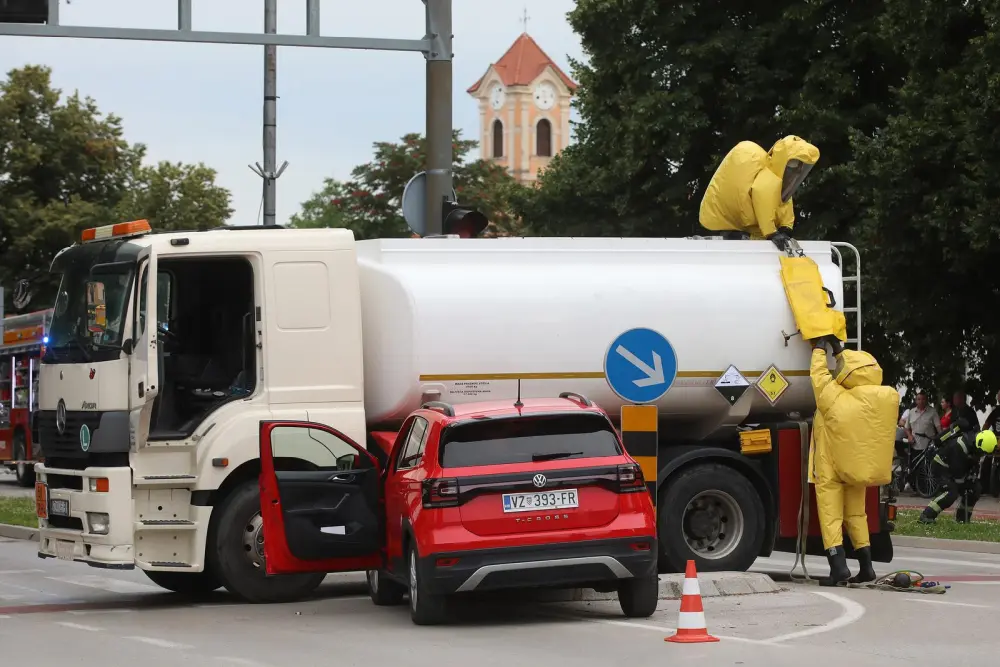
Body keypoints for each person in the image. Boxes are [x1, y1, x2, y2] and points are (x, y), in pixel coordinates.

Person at [808, 336, 899, 586]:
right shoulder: (883, 397)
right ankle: (866, 566)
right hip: (858, 467)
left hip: (832, 466)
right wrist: (840, 351)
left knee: (831, 516)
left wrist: (819, 348)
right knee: (857, 515)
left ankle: (838, 568)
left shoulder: (835, 397)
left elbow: (818, 376)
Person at [699, 135, 820, 253]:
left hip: (749, 226)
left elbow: (783, 201)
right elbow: (762, 200)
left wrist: (786, 226)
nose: (796, 171)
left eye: (800, 166)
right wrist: (772, 233)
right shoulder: (769, 179)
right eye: (793, 165)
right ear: (785, 162)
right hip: (728, 215)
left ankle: (737, 232)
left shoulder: (780, 183)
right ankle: (730, 231)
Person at [920, 427, 997, 523]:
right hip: (941, 468)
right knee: (951, 492)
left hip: (957, 470)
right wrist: (967, 480)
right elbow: (958, 475)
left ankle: (962, 519)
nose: (982, 455)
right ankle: (927, 515)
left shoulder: (974, 446)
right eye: (982, 453)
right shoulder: (959, 447)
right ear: (979, 445)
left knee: (975, 489)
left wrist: (972, 478)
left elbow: (969, 467)